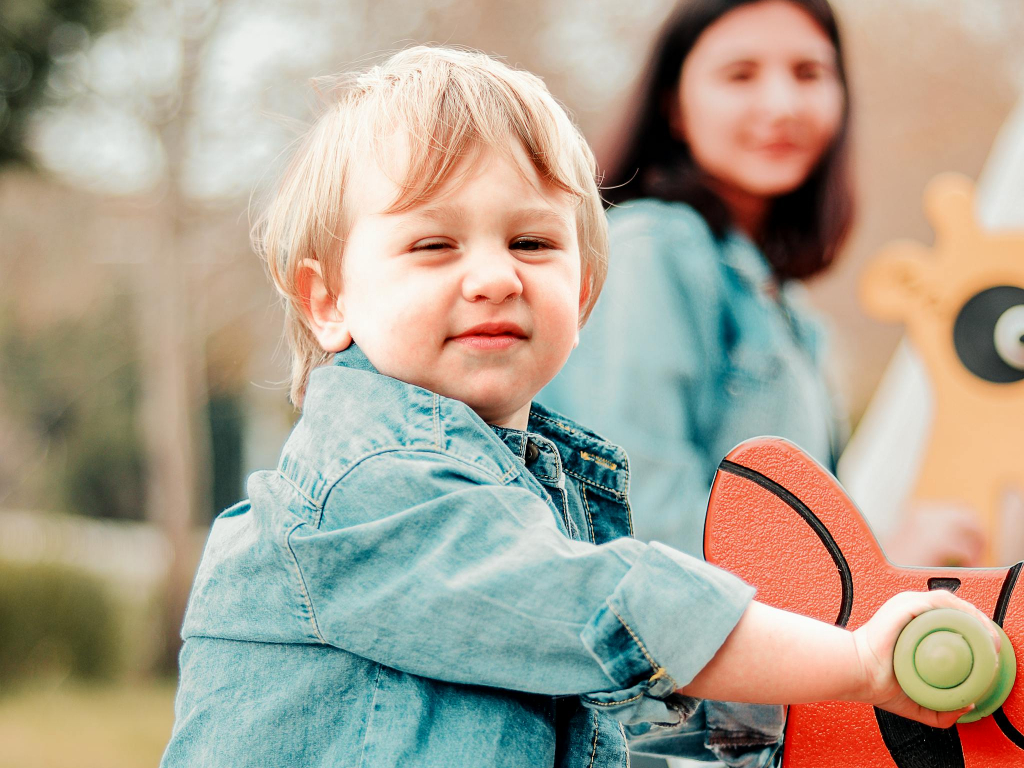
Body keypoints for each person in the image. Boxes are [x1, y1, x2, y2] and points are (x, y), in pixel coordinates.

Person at [160, 46, 990, 768]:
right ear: (327, 299)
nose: (494, 276)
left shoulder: (533, 494)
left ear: (583, 292)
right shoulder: (369, 490)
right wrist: (858, 663)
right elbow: (610, 610)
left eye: (532, 242)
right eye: (433, 245)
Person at [539, 0, 983, 566]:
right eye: (740, 75)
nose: (782, 105)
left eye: (809, 73)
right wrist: (879, 569)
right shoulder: (649, 249)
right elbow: (639, 528)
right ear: (675, 106)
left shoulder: (780, 299)